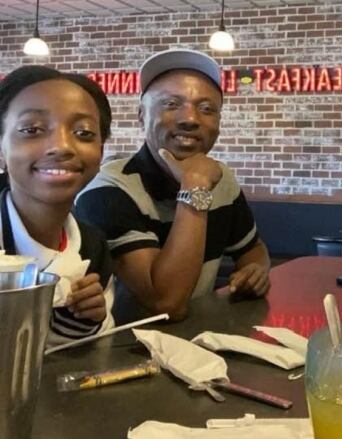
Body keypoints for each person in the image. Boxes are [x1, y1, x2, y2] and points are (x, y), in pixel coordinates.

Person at [75, 49, 271, 323]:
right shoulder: (107, 190)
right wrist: (194, 187)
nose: (190, 119)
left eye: (206, 109)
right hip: (122, 352)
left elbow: (252, 248)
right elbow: (167, 304)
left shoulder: (221, 179)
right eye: (171, 104)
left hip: (196, 342)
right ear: (141, 116)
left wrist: (256, 270)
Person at [0, 65, 115, 346]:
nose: (62, 146)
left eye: (84, 133)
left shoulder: (93, 246)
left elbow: (97, 352)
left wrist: (88, 321)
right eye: (32, 129)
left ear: (101, 150)